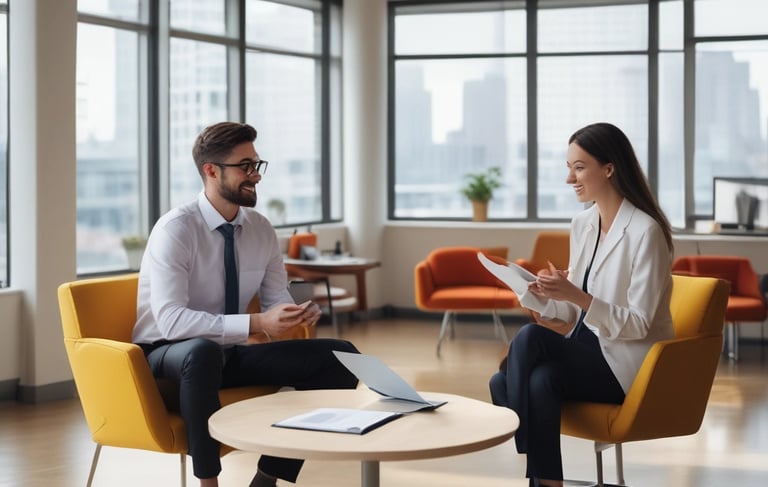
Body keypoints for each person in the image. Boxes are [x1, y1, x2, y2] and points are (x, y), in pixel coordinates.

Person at [132, 121, 360, 487]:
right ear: (211, 170)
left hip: (227, 351)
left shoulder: (260, 228)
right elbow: (172, 322)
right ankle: (209, 483)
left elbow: (274, 299)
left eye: (257, 164)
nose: (255, 175)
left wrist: (294, 314)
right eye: (245, 166)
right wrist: (257, 324)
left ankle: (268, 478)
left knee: (341, 357)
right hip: (164, 354)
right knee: (201, 352)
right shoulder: (176, 230)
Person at [489, 122, 675, 487]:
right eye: (569, 167)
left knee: (525, 344)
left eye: (579, 167)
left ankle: (520, 434)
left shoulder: (645, 232)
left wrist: (576, 295)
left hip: (622, 364)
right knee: (537, 380)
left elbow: (638, 324)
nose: (569, 178)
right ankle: (546, 483)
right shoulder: (583, 223)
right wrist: (542, 295)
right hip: (584, 351)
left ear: (609, 169)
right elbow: (573, 312)